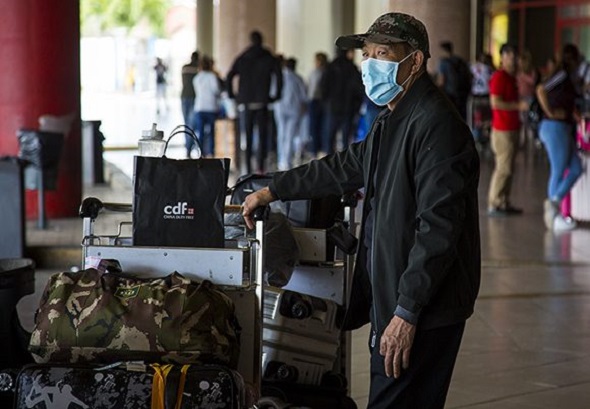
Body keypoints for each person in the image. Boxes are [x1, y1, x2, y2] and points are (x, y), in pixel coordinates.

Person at [242, 12, 480, 409]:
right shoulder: (394, 120)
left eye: (382, 54)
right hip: (396, 293)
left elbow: (438, 229)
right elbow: (342, 167)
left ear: (415, 61)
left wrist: (406, 312)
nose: (370, 65)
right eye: (367, 55)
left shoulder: (436, 126)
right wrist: (273, 189)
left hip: (422, 306)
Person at [537, 43, 583, 231]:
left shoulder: (569, 78)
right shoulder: (562, 74)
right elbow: (541, 90)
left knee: (575, 168)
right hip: (554, 127)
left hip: (563, 128)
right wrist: (550, 112)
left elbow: (565, 98)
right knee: (558, 169)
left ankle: (553, 202)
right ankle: (553, 217)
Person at [226, 30, 283, 174]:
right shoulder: (268, 56)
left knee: (248, 134)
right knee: (263, 134)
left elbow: (229, 76)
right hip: (262, 100)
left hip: (246, 101)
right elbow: (279, 76)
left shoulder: (243, 57)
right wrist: (276, 95)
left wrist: (232, 95)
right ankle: (260, 165)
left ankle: (247, 166)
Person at [487, 44, 526, 217]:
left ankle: (504, 201)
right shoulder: (499, 77)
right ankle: (495, 202)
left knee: (509, 168)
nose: (513, 60)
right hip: (503, 130)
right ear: (502, 58)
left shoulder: (512, 78)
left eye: (514, 56)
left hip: (513, 127)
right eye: (509, 56)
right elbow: (495, 102)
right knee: (504, 168)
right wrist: (518, 106)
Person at [320, 47, 364, 154]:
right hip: (348, 107)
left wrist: (325, 102)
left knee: (330, 135)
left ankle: (329, 160)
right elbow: (359, 88)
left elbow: (323, 86)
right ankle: (344, 162)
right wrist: (357, 104)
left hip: (332, 106)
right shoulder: (351, 67)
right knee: (346, 137)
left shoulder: (330, 67)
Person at [274, 57, 307, 170]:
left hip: (280, 109)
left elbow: (273, 93)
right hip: (294, 110)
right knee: (290, 135)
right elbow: (304, 96)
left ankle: (281, 160)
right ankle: (286, 161)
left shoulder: (278, 77)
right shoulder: (298, 79)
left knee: (281, 134)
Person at [192, 56, 221, 158]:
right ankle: (211, 153)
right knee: (212, 131)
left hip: (199, 107)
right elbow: (216, 90)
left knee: (201, 132)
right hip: (211, 107)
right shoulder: (212, 77)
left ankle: (201, 153)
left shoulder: (197, 78)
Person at [437, 41, 472, 120]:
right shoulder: (460, 60)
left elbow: (442, 80)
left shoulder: (443, 62)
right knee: (462, 116)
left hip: (450, 94)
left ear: (443, 50)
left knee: (452, 117)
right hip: (463, 93)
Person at [469, 53, 494, 146]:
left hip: (476, 96)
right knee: (487, 119)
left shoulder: (473, 67)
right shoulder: (489, 69)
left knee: (477, 119)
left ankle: (477, 139)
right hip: (486, 96)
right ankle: (485, 137)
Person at [307, 52, 329, 158]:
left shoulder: (318, 73)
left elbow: (312, 88)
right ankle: (317, 149)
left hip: (316, 101)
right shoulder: (323, 72)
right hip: (319, 102)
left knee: (315, 126)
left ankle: (316, 150)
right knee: (318, 126)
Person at [516, 50, 540, 144]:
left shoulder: (532, 71)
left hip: (529, 98)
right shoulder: (518, 72)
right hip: (520, 97)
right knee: (521, 121)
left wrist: (523, 76)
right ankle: (522, 141)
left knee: (529, 121)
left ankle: (531, 140)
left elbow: (533, 81)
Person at [181, 51, 200, 156]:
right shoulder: (198, 69)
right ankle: (189, 147)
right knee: (191, 124)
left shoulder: (184, 67)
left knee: (186, 123)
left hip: (184, 96)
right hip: (194, 97)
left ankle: (188, 147)